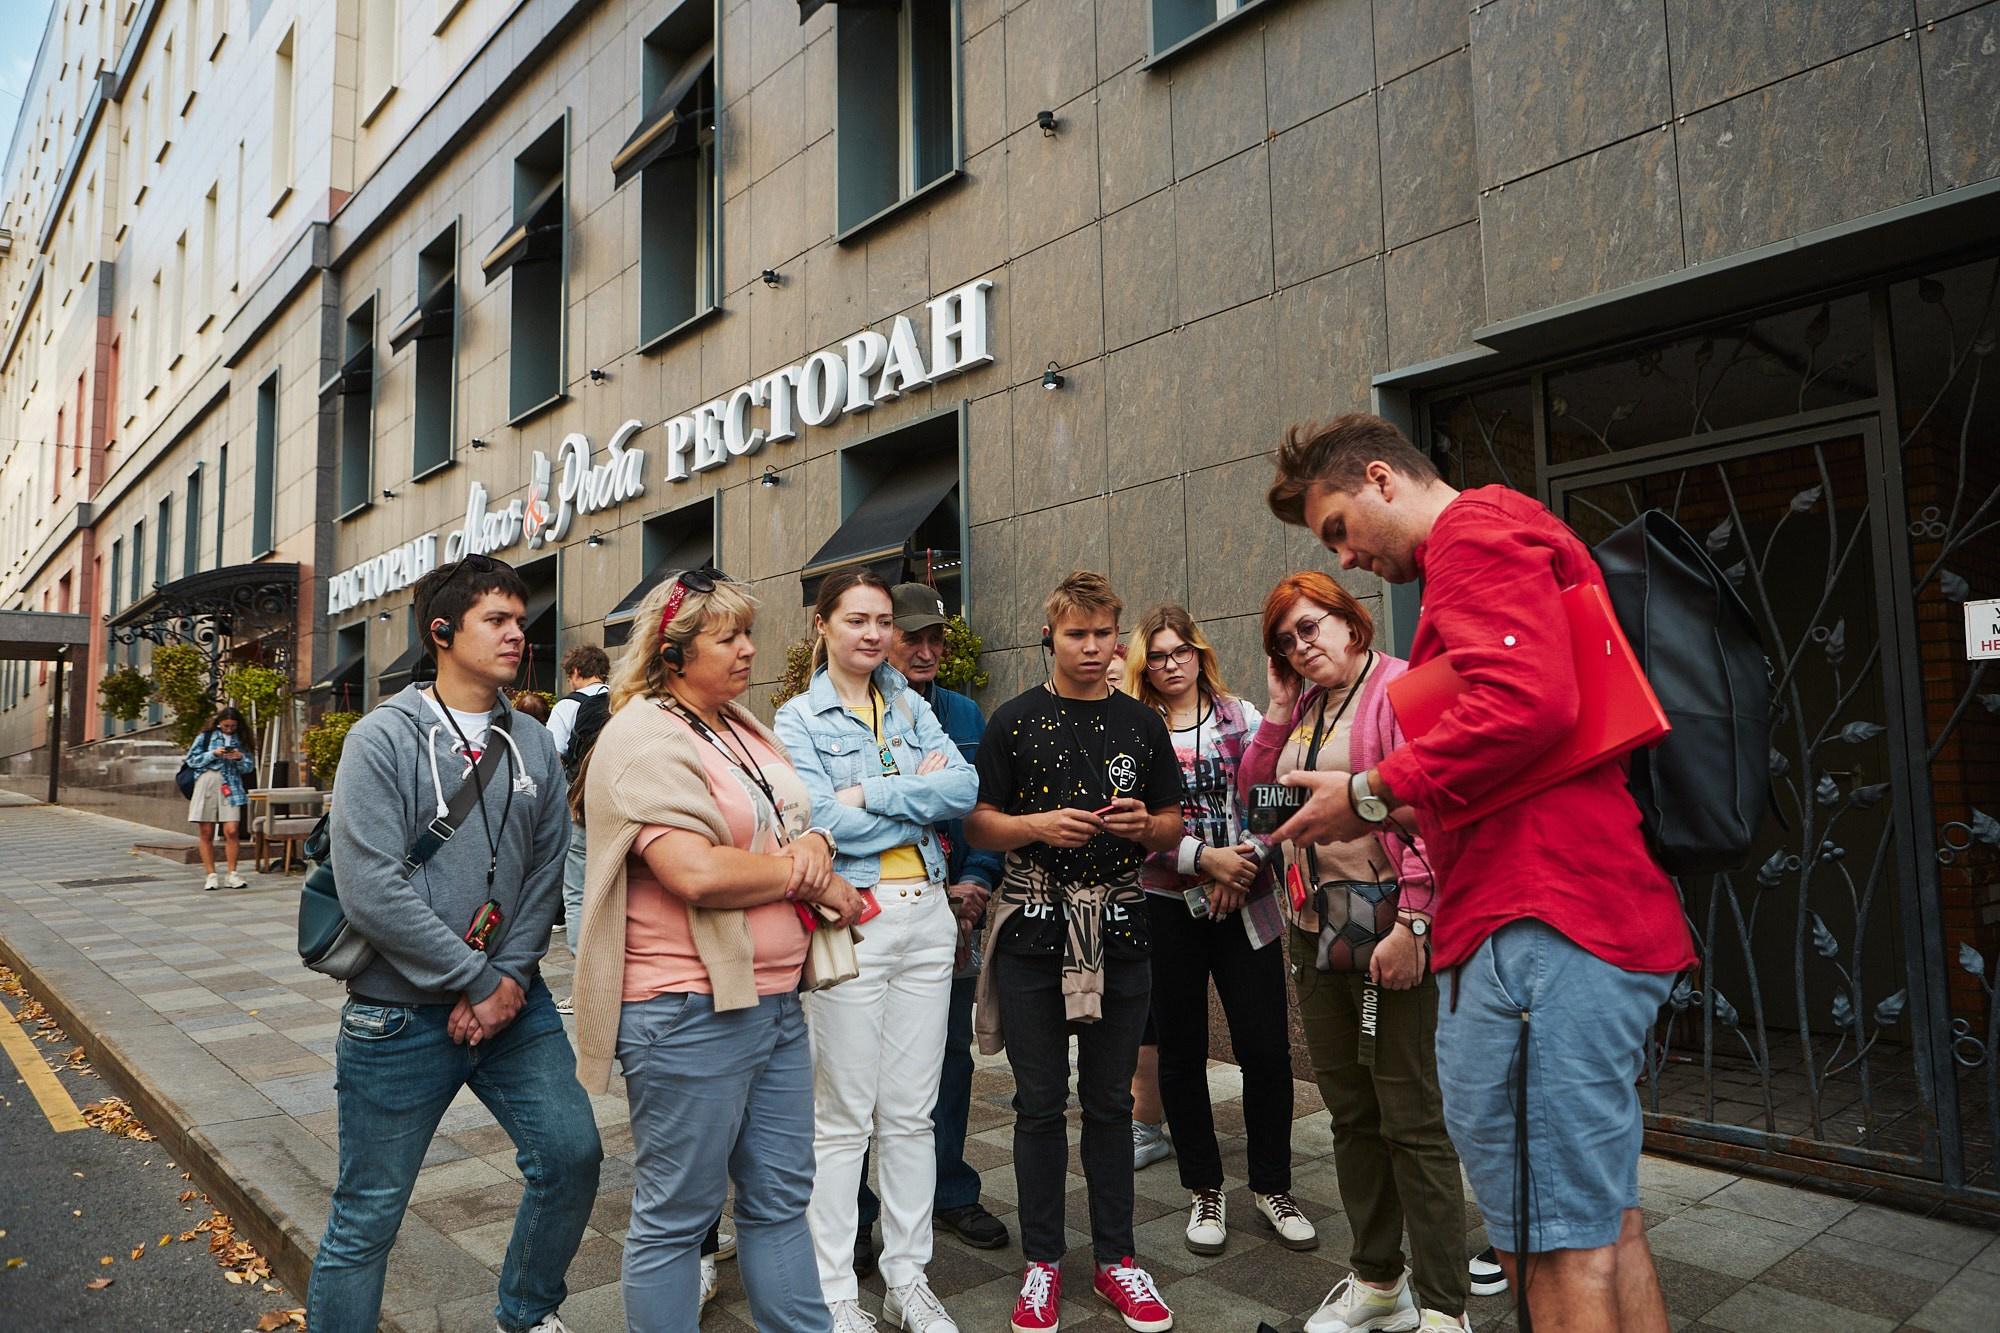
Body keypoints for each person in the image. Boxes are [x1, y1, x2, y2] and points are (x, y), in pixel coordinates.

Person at [1265, 414, 1696, 1331]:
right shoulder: (1504, 530)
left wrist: (1373, 793)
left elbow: (1527, 702)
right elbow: (1525, 740)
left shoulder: (1470, 535)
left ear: (1381, 479)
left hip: (1537, 924)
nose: (1343, 559)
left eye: (1338, 527)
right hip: (1567, 913)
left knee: (1550, 1242)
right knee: (1601, 1225)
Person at [307, 554, 601, 1333]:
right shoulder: (382, 738)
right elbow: (370, 885)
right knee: (367, 1217)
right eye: (496, 619)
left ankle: (528, 1311)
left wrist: (505, 979)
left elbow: (544, 871)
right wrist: (473, 977)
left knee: (571, 1155)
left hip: (514, 1005)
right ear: (441, 631)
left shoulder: (533, 739)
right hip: (397, 1019)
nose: (517, 633)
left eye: (520, 617)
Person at [569, 567, 861, 1333]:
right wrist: (807, 880)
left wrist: (818, 846)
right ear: (673, 652)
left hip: (771, 1004)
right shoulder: (640, 734)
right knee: (676, 1217)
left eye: (746, 632)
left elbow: (792, 816)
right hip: (686, 1008)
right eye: (727, 636)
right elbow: (693, 870)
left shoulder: (736, 722)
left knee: (778, 1200)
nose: (747, 649)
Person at [1238, 574, 1464, 1331]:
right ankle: (1378, 1279)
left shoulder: (1400, 688)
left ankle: (1442, 1307)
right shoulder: (1305, 706)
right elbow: (1255, 789)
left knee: (1411, 1118)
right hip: (1315, 932)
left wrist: (1418, 926)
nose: (1302, 646)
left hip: (1390, 929)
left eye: (1310, 627)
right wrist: (1274, 707)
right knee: (1351, 1115)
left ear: (1349, 619)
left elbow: (1437, 807)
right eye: (1287, 639)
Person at [966, 571, 1184, 1333]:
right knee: (1035, 1104)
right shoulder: (1015, 720)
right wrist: (1036, 826)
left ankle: (1118, 1260)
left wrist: (1141, 828)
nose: (1093, 648)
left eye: (1104, 634)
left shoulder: (1142, 724)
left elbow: (1170, 823)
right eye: (1077, 634)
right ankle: (1043, 1263)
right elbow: (978, 824)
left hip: (1121, 933)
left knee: (1110, 1103)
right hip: (1031, 933)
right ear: (1051, 637)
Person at [776, 568, 979, 1333]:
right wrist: (899, 799)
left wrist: (868, 795)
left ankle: (906, 1276)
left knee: (911, 1113)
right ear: (823, 626)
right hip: (852, 917)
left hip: (929, 916)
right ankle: (832, 1288)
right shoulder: (797, 718)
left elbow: (962, 789)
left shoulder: (909, 704)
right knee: (842, 1116)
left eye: (883, 619)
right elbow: (817, 818)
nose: (873, 632)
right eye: (856, 618)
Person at [1124, 605, 1315, 1257]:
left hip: (1249, 900)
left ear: (1199, 652)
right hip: (1169, 905)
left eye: (1181, 650)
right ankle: (1206, 1187)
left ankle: (1272, 1185)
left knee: (1265, 1047)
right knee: (1179, 1051)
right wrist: (1203, 861)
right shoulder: (1135, 729)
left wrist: (1248, 862)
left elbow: (1277, 794)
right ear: (1142, 664)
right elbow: (1134, 826)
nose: (1170, 663)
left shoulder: (1242, 717)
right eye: (1158, 655)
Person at [852, 583, 1012, 1272]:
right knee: (855, 1069)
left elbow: (982, 809)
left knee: (948, 1058)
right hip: (869, 915)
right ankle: (855, 1215)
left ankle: (946, 1189)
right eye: (910, 636)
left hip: (952, 917)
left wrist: (976, 880)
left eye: (934, 638)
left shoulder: (965, 712)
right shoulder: (849, 714)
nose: (924, 649)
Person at [547, 644, 611, 1014]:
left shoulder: (567, 707)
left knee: (577, 896)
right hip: (622, 812)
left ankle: (585, 986)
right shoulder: (627, 700)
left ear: (573, 672)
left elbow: (552, 760)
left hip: (582, 812)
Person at [185, 707, 256, 889]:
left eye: (233, 726)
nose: (229, 729)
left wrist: (239, 757)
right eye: (226, 725)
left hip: (231, 785)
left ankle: (232, 874)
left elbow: (249, 767)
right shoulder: (205, 736)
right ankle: (211, 874)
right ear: (219, 723)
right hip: (207, 782)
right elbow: (191, 760)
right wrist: (213, 754)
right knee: (206, 831)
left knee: (232, 830)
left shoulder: (242, 739)